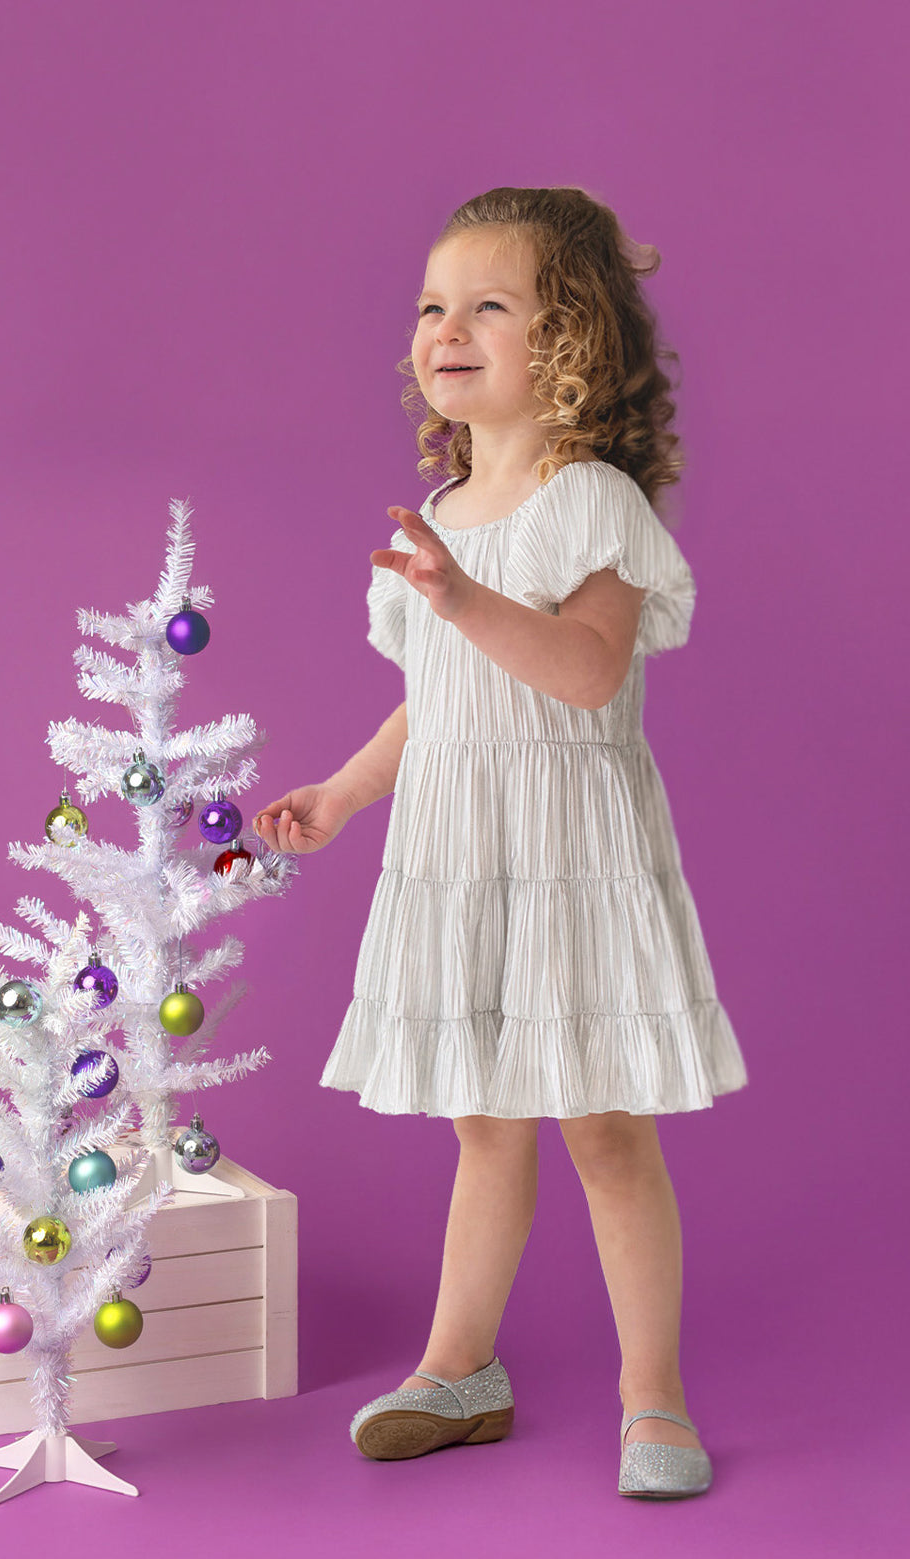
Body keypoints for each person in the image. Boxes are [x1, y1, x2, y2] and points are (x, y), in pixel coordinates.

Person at [252, 186, 747, 1499]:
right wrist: (346, 794)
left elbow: (585, 672)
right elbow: (439, 697)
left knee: (604, 1130)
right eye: (429, 306)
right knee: (483, 1125)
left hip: (570, 856)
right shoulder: (442, 513)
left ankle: (656, 1399)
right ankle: (460, 1367)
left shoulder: (593, 504)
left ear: (570, 336)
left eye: (487, 305)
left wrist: (460, 594)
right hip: (464, 858)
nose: (444, 329)